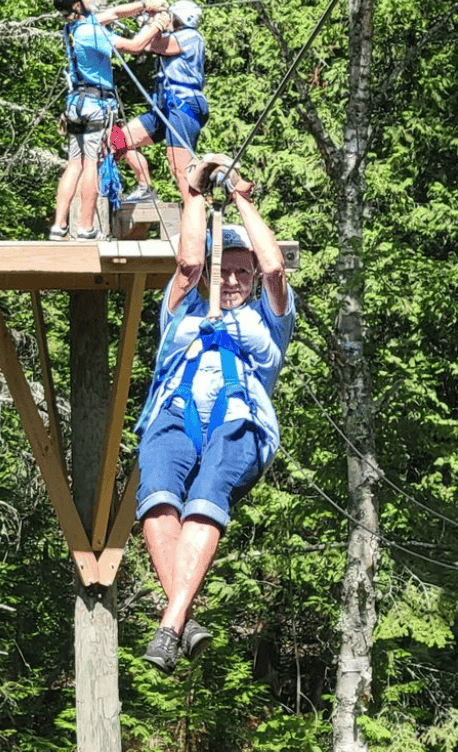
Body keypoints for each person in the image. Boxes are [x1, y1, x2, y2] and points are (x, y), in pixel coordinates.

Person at [134, 155, 295, 673]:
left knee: (206, 493)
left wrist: (240, 196)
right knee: (157, 495)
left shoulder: (268, 323)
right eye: (225, 270)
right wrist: (195, 195)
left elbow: (274, 268)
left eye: (240, 272)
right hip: (174, 414)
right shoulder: (181, 310)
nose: (232, 280)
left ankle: (168, 624)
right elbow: (188, 265)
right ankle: (183, 619)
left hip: (239, 421)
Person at [49, 0, 168, 240]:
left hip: (75, 104)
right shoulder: (92, 34)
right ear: (78, 5)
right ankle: (85, 228)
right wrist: (157, 25)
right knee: (92, 163)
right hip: (95, 105)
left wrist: (145, 5)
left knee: (74, 164)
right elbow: (135, 46)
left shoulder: (72, 29)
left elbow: (112, 14)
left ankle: (59, 227)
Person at [109, 0, 208, 205]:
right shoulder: (173, 36)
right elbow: (152, 42)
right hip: (164, 107)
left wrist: (152, 22)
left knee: (179, 168)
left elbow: (155, 44)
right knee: (120, 140)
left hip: (184, 105)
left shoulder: (191, 37)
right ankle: (144, 186)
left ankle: (195, 215)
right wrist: (151, 21)